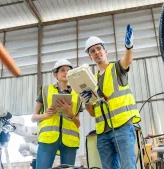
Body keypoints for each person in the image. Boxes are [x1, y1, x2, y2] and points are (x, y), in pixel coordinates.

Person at [81, 24, 141, 169]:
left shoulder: (116, 68)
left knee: (128, 166)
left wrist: (129, 46)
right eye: (92, 51)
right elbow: (93, 112)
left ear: (105, 51)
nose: (96, 52)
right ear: (90, 57)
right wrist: (86, 100)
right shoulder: (91, 80)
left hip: (122, 127)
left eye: (99, 49)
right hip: (102, 133)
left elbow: (127, 60)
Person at [31, 59, 82, 169]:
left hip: (70, 141)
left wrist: (70, 114)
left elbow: (77, 124)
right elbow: (33, 117)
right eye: (62, 70)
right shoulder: (45, 90)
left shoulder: (77, 94)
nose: (66, 72)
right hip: (48, 139)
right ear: (56, 74)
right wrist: (45, 115)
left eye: (68, 70)